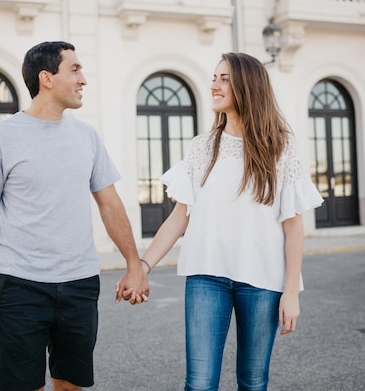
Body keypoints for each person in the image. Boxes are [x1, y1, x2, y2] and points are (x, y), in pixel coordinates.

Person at [122, 52, 323, 390]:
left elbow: (293, 226)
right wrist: (142, 266)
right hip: (206, 277)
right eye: (214, 78)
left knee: (253, 381)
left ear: (248, 86)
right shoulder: (202, 147)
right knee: (199, 383)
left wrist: (291, 292)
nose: (213, 85)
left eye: (223, 78)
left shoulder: (282, 147)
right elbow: (179, 218)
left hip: (262, 281)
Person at [0, 41, 149, 391]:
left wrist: (133, 263)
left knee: (70, 385)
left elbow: (109, 204)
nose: (83, 79)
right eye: (75, 69)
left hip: (80, 284)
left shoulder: (87, 136)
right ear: (47, 78)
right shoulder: (1, 138)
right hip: (20, 285)